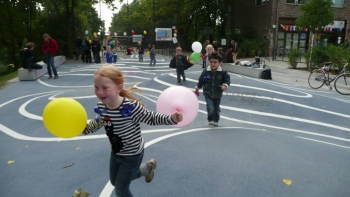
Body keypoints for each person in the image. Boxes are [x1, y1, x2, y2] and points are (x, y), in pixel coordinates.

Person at [82, 65, 183, 197]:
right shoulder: (102, 106)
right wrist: (86, 129)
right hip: (116, 151)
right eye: (96, 87)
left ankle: (146, 168)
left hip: (132, 154)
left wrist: (172, 118)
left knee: (121, 190)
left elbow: (151, 118)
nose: (100, 92)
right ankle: (148, 168)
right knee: (114, 181)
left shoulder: (130, 107)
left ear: (119, 88)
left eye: (105, 88)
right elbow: (98, 121)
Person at [194, 52, 231, 126]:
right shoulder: (205, 71)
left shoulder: (223, 72)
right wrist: (197, 88)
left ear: (220, 63)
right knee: (210, 106)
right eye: (211, 62)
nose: (213, 64)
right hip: (208, 93)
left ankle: (216, 120)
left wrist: (225, 85)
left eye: (215, 62)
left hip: (217, 93)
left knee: (216, 108)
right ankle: (211, 119)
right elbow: (201, 80)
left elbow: (227, 80)